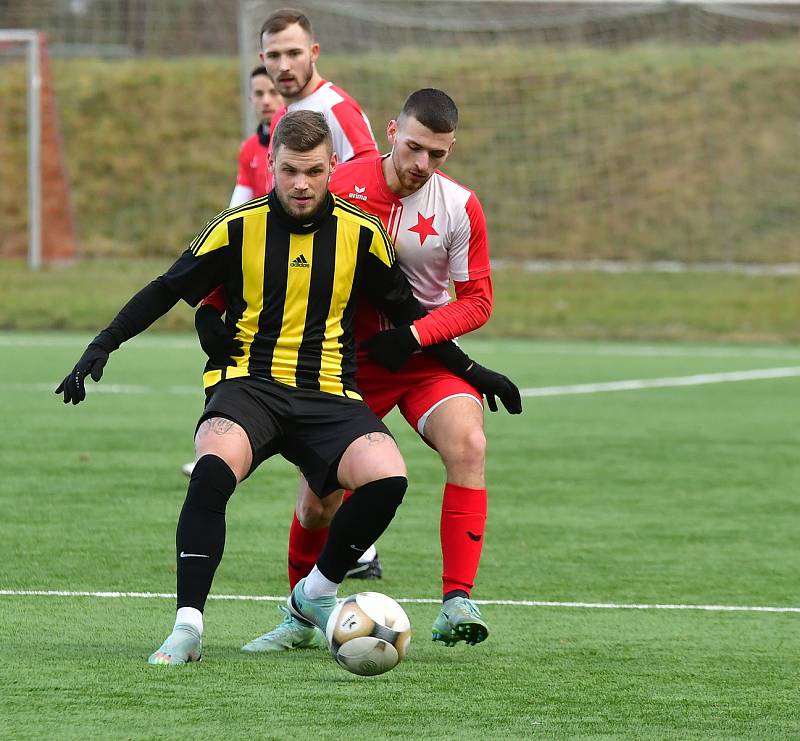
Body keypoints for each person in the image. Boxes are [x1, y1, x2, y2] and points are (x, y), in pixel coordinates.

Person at [55, 110, 520, 666]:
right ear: (271, 165)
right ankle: (187, 628)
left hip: (328, 392)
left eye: (314, 172)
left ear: (332, 170)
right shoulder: (236, 227)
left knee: (387, 476)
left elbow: (407, 312)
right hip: (249, 385)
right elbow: (165, 289)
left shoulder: (361, 233)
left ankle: (315, 594)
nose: (302, 184)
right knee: (211, 469)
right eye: (291, 170)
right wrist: (102, 344)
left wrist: (473, 373)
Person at [198, 90, 521, 654]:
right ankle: (301, 615)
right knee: (318, 500)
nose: (422, 164)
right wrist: (212, 309)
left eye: (437, 155)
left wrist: (416, 337)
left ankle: (456, 600)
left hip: (422, 360)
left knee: (469, 442)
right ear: (393, 132)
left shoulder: (460, 206)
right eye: (414, 147)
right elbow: (263, 243)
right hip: (340, 363)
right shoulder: (339, 183)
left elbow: (478, 301)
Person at [190, 5, 386, 578]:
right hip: (294, 276)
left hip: (341, 286)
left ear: (314, 53)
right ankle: (320, 581)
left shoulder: (336, 110)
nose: (283, 65)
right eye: (273, 56)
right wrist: (215, 295)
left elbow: (370, 182)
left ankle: (351, 553)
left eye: (292, 53)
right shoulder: (287, 119)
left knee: (336, 420)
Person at [229, 65, 283, 208]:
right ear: (251, 99)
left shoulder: (306, 142)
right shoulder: (248, 147)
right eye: (259, 94)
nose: (266, 101)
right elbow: (237, 207)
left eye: (273, 92)